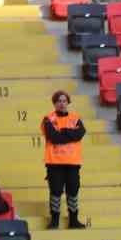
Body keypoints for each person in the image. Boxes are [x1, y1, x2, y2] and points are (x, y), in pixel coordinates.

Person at [41, 89, 85, 230]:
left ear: (68, 102)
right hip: (54, 163)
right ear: (54, 103)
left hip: (73, 163)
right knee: (55, 191)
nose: (62, 103)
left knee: (73, 190)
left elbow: (80, 133)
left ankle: (73, 220)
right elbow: (54, 137)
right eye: (59, 101)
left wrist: (63, 131)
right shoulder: (48, 119)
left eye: (64, 101)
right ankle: (54, 221)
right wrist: (69, 134)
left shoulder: (76, 118)